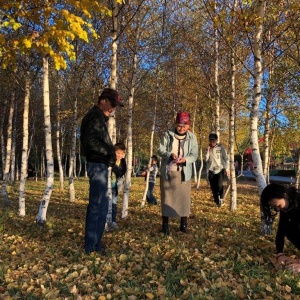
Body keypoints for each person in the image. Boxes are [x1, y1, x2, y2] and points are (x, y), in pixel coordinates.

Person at [80, 87, 124, 255]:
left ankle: (95, 243)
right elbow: (91, 142)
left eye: (116, 105)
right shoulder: (94, 117)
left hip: (100, 165)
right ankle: (91, 246)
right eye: (112, 104)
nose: (113, 108)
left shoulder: (98, 118)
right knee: (97, 206)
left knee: (102, 205)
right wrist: (110, 153)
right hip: (97, 164)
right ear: (103, 101)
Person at [157, 111, 198, 235]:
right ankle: (165, 225)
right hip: (168, 172)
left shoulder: (192, 137)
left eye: (184, 126)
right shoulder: (167, 134)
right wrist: (170, 154)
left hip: (184, 174)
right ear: (175, 124)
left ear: (188, 126)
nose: (181, 128)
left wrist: (186, 159)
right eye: (179, 125)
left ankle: (183, 225)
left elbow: (194, 155)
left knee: (184, 200)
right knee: (166, 199)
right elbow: (160, 149)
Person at [261, 183, 300, 274]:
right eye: (274, 208)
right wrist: (280, 254)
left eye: (277, 205)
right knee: (287, 227)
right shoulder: (286, 208)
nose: (277, 210)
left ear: (283, 195)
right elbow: (281, 231)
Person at [205, 132, 229, 207]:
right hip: (211, 170)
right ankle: (217, 201)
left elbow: (226, 158)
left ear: (216, 140)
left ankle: (221, 198)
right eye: (211, 140)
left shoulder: (221, 148)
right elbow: (206, 159)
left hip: (220, 169)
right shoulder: (208, 148)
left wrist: (227, 169)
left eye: (214, 140)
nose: (212, 142)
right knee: (213, 187)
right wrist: (207, 151)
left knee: (219, 185)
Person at [111, 142, 127, 229]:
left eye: (121, 153)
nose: (119, 155)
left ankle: (113, 221)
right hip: (109, 184)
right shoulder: (110, 159)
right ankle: (105, 221)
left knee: (114, 203)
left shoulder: (123, 162)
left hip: (117, 185)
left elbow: (121, 172)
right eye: (117, 153)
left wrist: (114, 168)